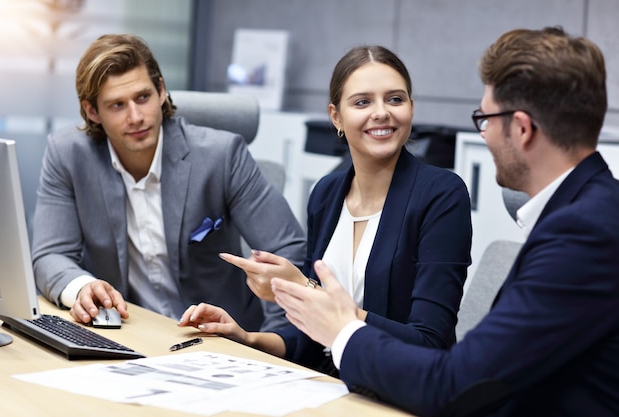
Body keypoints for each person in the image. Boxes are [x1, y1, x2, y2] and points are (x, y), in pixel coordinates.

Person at [270, 26, 619, 417]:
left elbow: (455, 383)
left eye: (485, 119)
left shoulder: (584, 232)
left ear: (521, 128)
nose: (484, 136)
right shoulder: (586, 213)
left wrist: (343, 327)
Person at [178, 45, 473, 374]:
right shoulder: (327, 194)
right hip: (332, 384)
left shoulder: (442, 195)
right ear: (336, 117)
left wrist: (308, 292)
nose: (382, 112)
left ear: (411, 108)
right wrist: (248, 339)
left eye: (395, 99)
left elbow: (428, 343)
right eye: (363, 102)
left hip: (404, 390)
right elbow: (313, 340)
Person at [31, 34, 306, 332]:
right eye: (117, 105)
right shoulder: (69, 156)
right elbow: (50, 254)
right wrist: (81, 287)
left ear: (161, 91)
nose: (136, 117)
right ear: (92, 111)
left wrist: (274, 342)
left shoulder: (221, 155)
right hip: (131, 332)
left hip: (220, 338)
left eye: (142, 97)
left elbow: (287, 250)